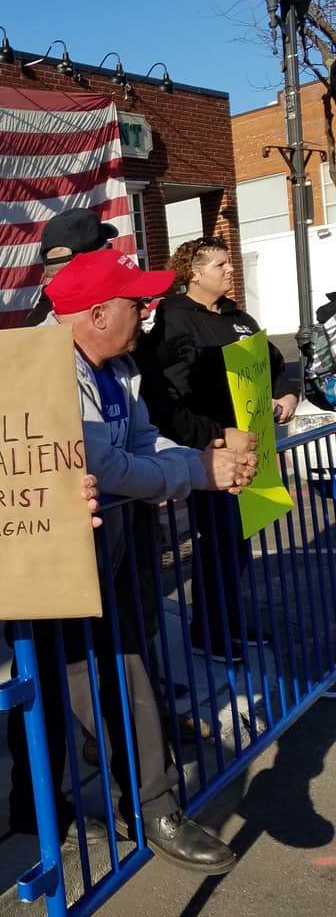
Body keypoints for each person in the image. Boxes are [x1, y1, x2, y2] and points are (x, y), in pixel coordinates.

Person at [39, 248, 255, 873]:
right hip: (54, 558)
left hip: (105, 539)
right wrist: (196, 475)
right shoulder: (51, 370)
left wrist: (199, 467)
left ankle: (73, 799)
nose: (146, 311)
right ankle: (151, 804)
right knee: (99, 671)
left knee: (94, 671)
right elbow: (101, 466)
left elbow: (139, 442)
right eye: (136, 303)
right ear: (97, 313)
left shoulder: (118, 365)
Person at [136, 235, 295, 660]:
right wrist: (212, 435)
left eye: (229, 263)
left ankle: (227, 620)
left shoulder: (237, 316)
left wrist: (286, 394)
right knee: (219, 542)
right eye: (220, 264)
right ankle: (208, 631)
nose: (230, 270)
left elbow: (272, 364)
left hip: (253, 448)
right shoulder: (173, 319)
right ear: (194, 272)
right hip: (213, 450)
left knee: (238, 544)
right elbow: (170, 391)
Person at [26, 208, 119, 327]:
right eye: (108, 249)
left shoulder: (32, 325)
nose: (144, 313)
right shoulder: (103, 323)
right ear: (88, 262)